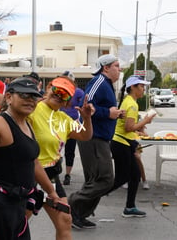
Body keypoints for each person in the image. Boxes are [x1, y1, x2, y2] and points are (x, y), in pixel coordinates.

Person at [0, 77, 60, 240]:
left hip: (15, 203)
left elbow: (33, 162)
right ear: (9, 97)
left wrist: (51, 191)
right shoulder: (0, 123)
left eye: (34, 97)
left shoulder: (26, 123)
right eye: (24, 95)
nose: (30, 100)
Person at [28, 75, 93, 240]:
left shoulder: (63, 119)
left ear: (68, 102)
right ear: (49, 87)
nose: (58, 95)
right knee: (17, 223)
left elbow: (85, 135)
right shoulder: (32, 109)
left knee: (64, 219)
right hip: (28, 175)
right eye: (56, 90)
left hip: (50, 175)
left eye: (64, 94)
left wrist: (86, 119)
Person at [68, 54, 124, 229]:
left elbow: (98, 107)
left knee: (95, 179)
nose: (119, 69)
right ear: (105, 67)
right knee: (105, 180)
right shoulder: (99, 81)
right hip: (93, 138)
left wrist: (113, 112)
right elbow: (86, 107)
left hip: (100, 138)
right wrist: (108, 113)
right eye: (116, 66)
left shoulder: (106, 84)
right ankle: (72, 203)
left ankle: (78, 215)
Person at [107, 75, 155, 218]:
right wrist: (146, 120)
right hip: (121, 143)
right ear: (132, 88)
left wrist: (140, 127)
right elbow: (129, 127)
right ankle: (91, 198)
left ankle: (130, 207)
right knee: (122, 178)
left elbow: (128, 127)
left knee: (134, 175)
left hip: (123, 143)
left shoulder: (128, 101)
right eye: (141, 86)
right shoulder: (132, 104)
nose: (143, 89)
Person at [59, 71, 85, 185]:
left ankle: (67, 174)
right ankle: (55, 171)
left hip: (72, 124)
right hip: (58, 123)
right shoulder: (59, 91)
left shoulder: (78, 92)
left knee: (70, 150)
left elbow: (84, 104)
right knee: (56, 148)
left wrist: (82, 119)